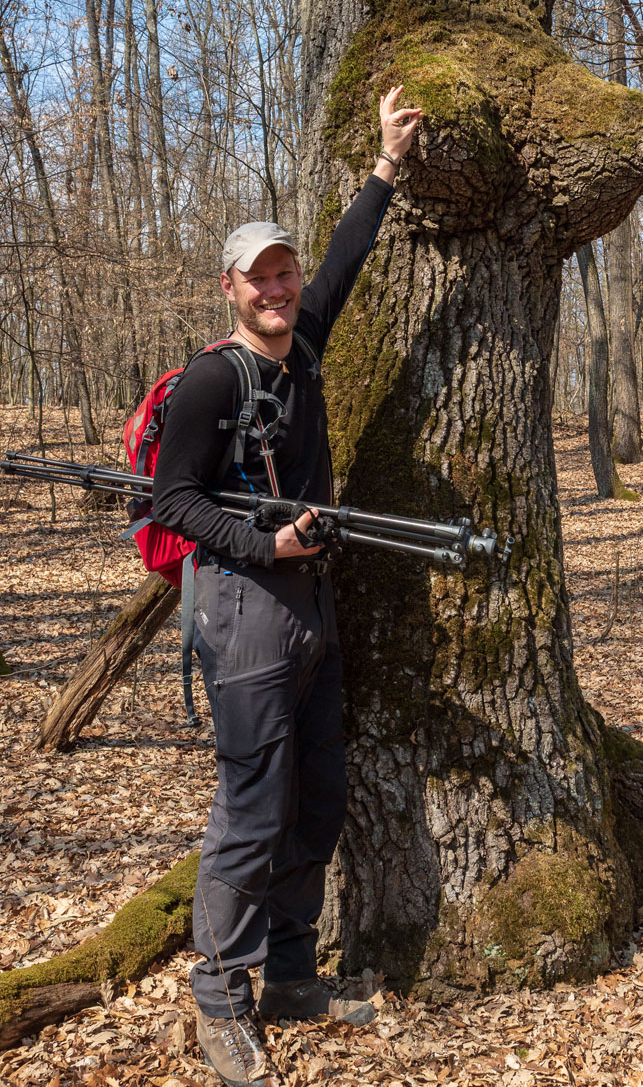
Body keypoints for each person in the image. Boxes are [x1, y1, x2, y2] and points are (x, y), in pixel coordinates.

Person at [152, 87, 422, 1087]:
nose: (277, 287)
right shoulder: (210, 381)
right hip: (244, 613)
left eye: (284, 271)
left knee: (320, 797)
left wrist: (387, 163)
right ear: (229, 287)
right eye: (258, 276)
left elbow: (349, 253)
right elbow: (171, 498)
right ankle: (221, 998)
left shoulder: (304, 341)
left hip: (313, 612)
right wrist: (264, 545)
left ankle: (297, 976)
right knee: (253, 810)